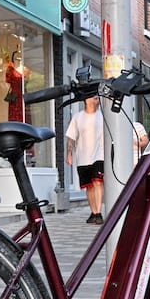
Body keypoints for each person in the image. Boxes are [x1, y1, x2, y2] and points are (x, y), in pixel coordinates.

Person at [66, 95, 105, 224]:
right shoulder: (78, 117)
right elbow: (71, 137)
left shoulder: (103, 116)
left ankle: (98, 213)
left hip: (100, 155)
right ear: (86, 100)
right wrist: (68, 154)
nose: (97, 100)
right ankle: (93, 212)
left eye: (98, 98)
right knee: (89, 186)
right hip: (82, 156)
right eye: (95, 98)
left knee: (98, 182)